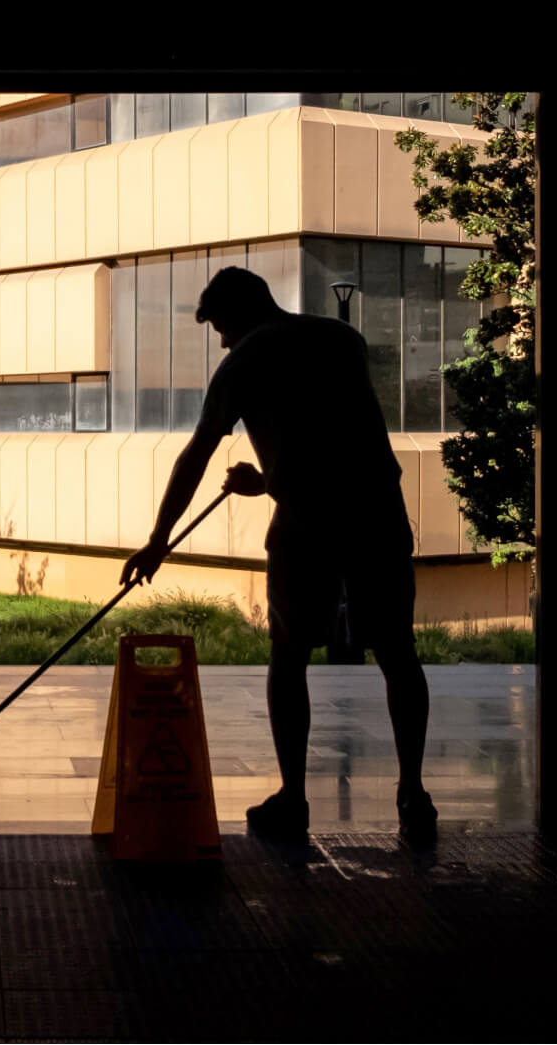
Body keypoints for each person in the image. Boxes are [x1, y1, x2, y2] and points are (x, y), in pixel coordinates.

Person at [119, 266, 438, 848]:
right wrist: (266, 480)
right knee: (397, 651)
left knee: (289, 656)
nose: (220, 340)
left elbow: (197, 454)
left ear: (238, 314)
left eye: (219, 326)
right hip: (377, 512)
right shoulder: (344, 341)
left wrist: (159, 540)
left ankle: (294, 798)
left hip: (306, 524)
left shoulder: (244, 361)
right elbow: (336, 441)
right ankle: (413, 792)